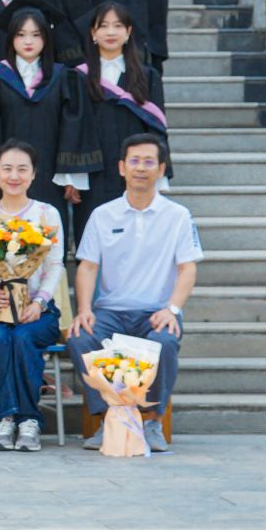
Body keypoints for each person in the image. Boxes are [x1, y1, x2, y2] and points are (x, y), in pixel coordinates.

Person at [66, 134, 198, 453]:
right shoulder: (103, 215)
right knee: (80, 337)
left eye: (149, 162)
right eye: (134, 161)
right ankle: (109, 419)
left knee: (165, 341)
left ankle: (151, 422)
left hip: (155, 311)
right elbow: (87, 267)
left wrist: (172, 309)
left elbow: (187, 269)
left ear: (161, 169)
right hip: (111, 312)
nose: (141, 168)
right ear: (122, 167)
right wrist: (84, 309)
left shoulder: (177, 216)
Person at [0, 140, 67, 452]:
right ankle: (8, 418)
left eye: (22, 169)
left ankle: (26, 420)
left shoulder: (47, 214)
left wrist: (40, 302)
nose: (14, 176)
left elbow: (55, 265)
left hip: (38, 309)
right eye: (7, 168)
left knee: (22, 337)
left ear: (33, 174)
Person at [0, 0, 82, 214]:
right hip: (4, 177)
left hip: (49, 176)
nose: (28, 41)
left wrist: (69, 175)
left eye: (36, 35)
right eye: (21, 34)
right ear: (11, 38)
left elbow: (72, 127)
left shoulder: (63, 78)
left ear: (46, 37)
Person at [69, 1, 169, 237]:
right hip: (94, 171)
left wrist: (160, 175)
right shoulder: (77, 77)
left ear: (128, 32)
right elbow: (72, 127)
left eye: (118, 26)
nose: (111, 32)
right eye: (103, 26)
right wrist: (73, 175)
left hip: (137, 170)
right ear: (93, 33)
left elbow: (157, 129)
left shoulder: (147, 76)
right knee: (93, 235)